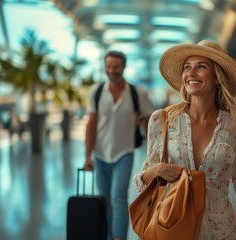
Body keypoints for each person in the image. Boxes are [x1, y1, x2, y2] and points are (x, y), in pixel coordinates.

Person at [132, 40, 236, 240]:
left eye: (201, 67)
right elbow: (141, 181)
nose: (191, 73)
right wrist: (157, 170)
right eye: (187, 67)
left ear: (217, 77)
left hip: (222, 231)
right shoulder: (162, 120)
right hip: (173, 227)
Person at [84, 50, 154, 240]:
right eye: (108, 66)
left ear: (123, 67)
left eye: (116, 66)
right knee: (105, 200)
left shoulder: (137, 93)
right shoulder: (97, 92)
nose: (112, 70)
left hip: (125, 152)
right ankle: (107, 235)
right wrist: (87, 156)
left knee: (118, 197)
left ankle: (119, 238)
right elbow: (91, 125)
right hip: (100, 154)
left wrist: (153, 152)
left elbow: (150, 123)